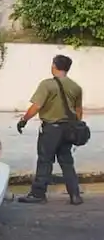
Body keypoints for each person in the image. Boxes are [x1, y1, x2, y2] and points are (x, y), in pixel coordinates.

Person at [17, 55, 83, 205]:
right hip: (68, 129)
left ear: (54, 66)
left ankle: (38, 194)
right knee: (66, 162)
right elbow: (79, 111)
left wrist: (24, 120)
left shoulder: (47, 85)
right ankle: (75, 195)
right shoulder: (76, 87)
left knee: (45, 161)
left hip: (51, 129)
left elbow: (36, 106)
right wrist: (75, 128)